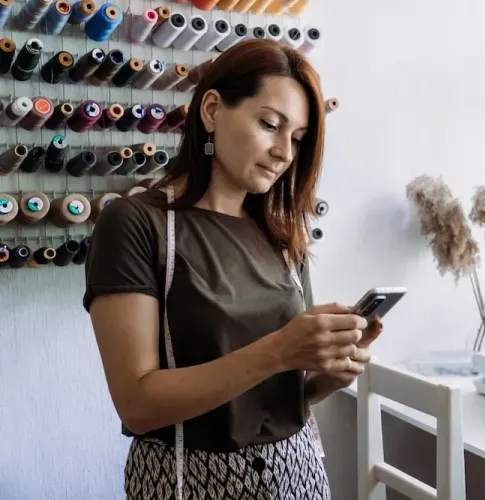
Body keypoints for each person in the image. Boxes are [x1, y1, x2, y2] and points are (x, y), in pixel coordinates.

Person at [83, 39, 381, 500]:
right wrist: (280, 350)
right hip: (191, 481)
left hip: (298, 472)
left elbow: (278, 392)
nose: (284, 152)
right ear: (213, 110)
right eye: (269, 125)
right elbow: (137, 404)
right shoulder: (136, 224)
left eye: (298, 139)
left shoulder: (282, 237)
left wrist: (325, 376)